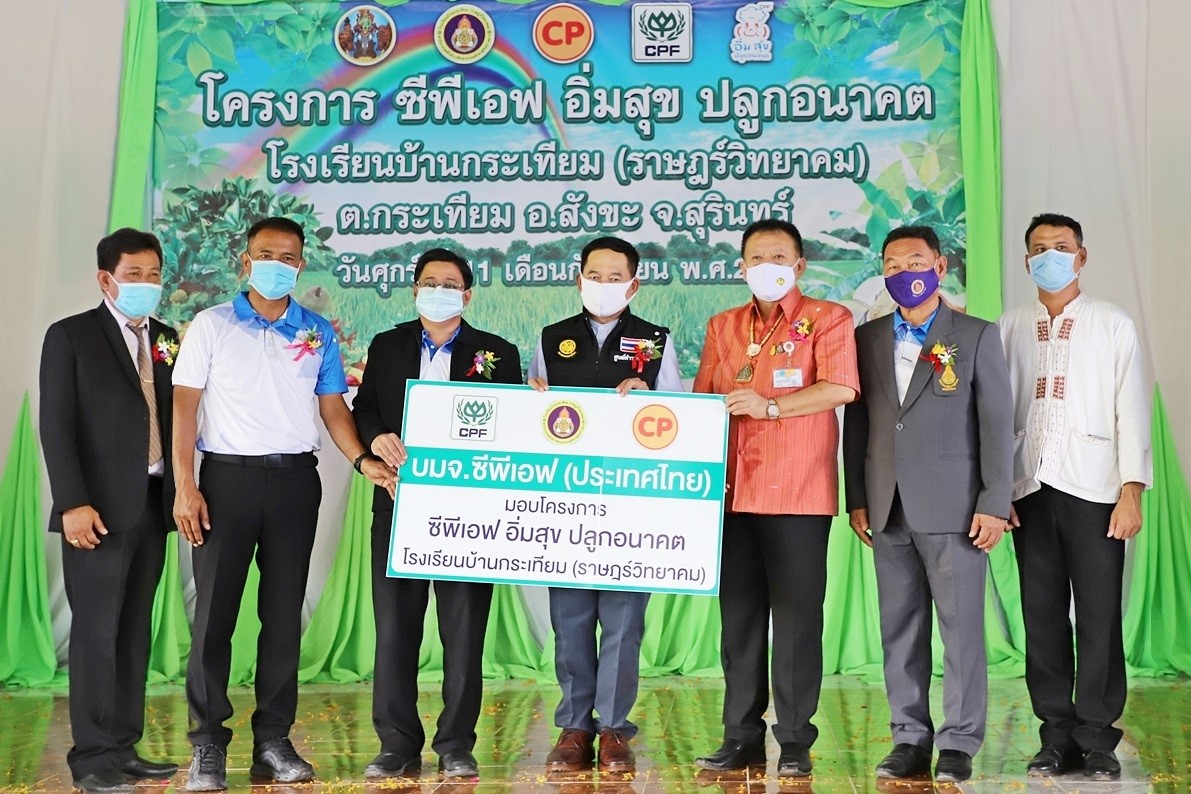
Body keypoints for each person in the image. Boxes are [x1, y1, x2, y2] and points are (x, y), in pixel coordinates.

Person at [171, 217, 395, 792]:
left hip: (296, 483)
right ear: (246, 262)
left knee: (282, 617)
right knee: (214, 617)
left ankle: (273, 739)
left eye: (290, 256)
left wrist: (362, 460)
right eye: (266, 254)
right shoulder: (211, 325)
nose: (278, 264)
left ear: (300, 265)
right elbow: (184, 410)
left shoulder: (317, 332)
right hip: (224, 482)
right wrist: (185, 485)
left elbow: (334, 409)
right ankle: (207, 746)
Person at [842, 225, 1014, 784]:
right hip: (886, 506)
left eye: (914, 261)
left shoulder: (975, 335)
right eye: (891, 265)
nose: (903, 273)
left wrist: (993, 501)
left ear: (940, 268)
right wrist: (858, 498)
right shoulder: (865, 339)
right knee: (899, 629)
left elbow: (995, 426)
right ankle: (909, 737)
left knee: (961, 630)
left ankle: (960, 741)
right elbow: (859, 424)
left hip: (957, 508)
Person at [693, 219, 858, 778]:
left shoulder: (828, 319)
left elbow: (840, 387)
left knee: (794, 623)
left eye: (778, 256)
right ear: (741, 266)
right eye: (755, 257)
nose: (767, 266)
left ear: (800, 265)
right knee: (738, 621)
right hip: (732, 494)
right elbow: (704, 402)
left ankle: (793, 740)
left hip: (798, 494)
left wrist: (769, 406)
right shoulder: (723, 325)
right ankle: (739, 735)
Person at [352, 248, 522, 780]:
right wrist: (376, 437)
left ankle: (456, 744)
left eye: (450, 284)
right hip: (400, 505)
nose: (439, 290)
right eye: (429, 281)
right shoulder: (388, 344)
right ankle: (396, 744)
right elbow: (366, 409)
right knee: (396, 629)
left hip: (470, 515)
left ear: (467, 295)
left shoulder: (496, 351)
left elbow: (512, 424)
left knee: (464, 628)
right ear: (414, 289)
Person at [998, 213, 1151, 781]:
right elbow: (994, 414)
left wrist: (1130, 491)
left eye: (1061, 247)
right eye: (1039, 248)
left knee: (1098, 615)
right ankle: (1055, 736)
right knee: (1041, 618)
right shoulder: (1010, 326)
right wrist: (998, 491)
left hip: (1095, 489)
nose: (1050, 256)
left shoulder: (1111, 322)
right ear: (1026, 260)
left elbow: (1130, 408)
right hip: (1029, 488)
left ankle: (1098, 739)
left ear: (1081, 257)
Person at [527, 236, 684, 774]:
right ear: (579, 278)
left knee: (622, 622)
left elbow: (679, 422)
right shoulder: (552, 339)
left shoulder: (656, 341)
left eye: (615, 276)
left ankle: (614, 727)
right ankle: (574, 726)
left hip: (630, 507)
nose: (603, 284)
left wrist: (654, 398)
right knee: (569, 619)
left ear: (634, 284)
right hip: (565, 505)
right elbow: (531, 419)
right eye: (595, 274)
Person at [39, 228, 181, 794]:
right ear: (106, 279)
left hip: (153, 504)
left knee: (132, 633)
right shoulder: (70, 336)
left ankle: (123, 746)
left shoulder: (169, 338)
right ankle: (92, 757)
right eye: (134, 275)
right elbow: (57, 424)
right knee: (96, 633)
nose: (146, 284)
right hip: (94, 512)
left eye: (153, 274)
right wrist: (72, 502)